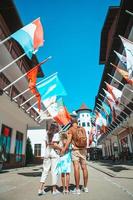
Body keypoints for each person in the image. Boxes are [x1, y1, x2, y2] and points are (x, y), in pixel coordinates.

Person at [61, 118, 88, 195]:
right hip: (83, 150)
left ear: (71, 123)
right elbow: (86, 139)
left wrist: (64, 149)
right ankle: (85, 187)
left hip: (75, 150)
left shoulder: (71, 129)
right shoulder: (82, 128)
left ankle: (77, 189)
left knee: (76, 168)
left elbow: (69, 140)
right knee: (84, 168)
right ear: (77, 122)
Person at [38, 123, 61, 196]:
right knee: (54, 171)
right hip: (54, 152)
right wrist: (61, 149)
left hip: (47, 151)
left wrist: (46, 152)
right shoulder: (56, 134)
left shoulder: (46, 133)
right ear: (56, 128)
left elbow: (46, 144)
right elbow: (54, 145)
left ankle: (40, 189)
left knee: (45, 170)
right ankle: (54, 190)